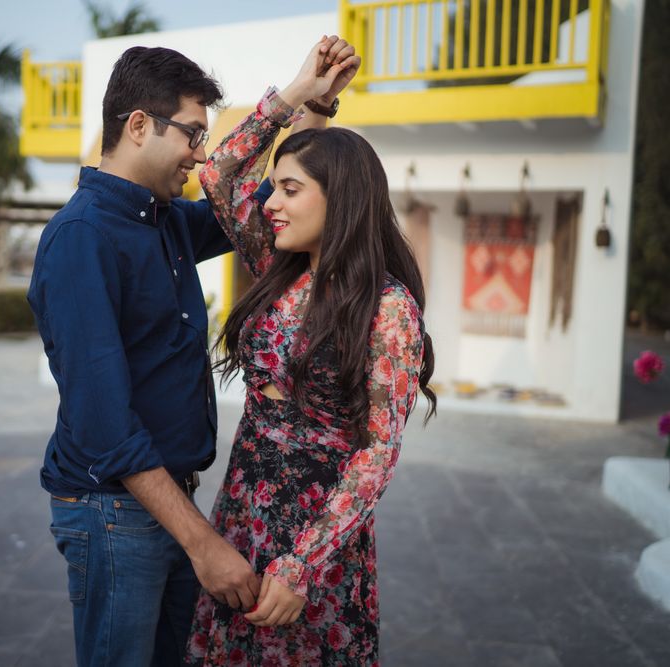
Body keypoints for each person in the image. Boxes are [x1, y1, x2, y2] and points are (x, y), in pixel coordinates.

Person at [184, 37, 437, 665]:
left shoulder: (389, 307)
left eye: (290, 190)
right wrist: (299, 96)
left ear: (339, 195)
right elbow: (218, 172)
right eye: (273, 189)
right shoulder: (277, 267)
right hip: (241, 513)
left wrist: (305, 564)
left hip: (316, 542)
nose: (270, 203)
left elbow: (379, 450)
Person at [28, 46, 263, 666]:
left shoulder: (166, 221)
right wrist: (204, 544)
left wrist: (309, 105)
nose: (201, 154)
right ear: (138, 125)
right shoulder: (83, 239)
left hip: (164, 503)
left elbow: (265, 208)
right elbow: (105, 426)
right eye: (192, 134)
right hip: (113, 511)